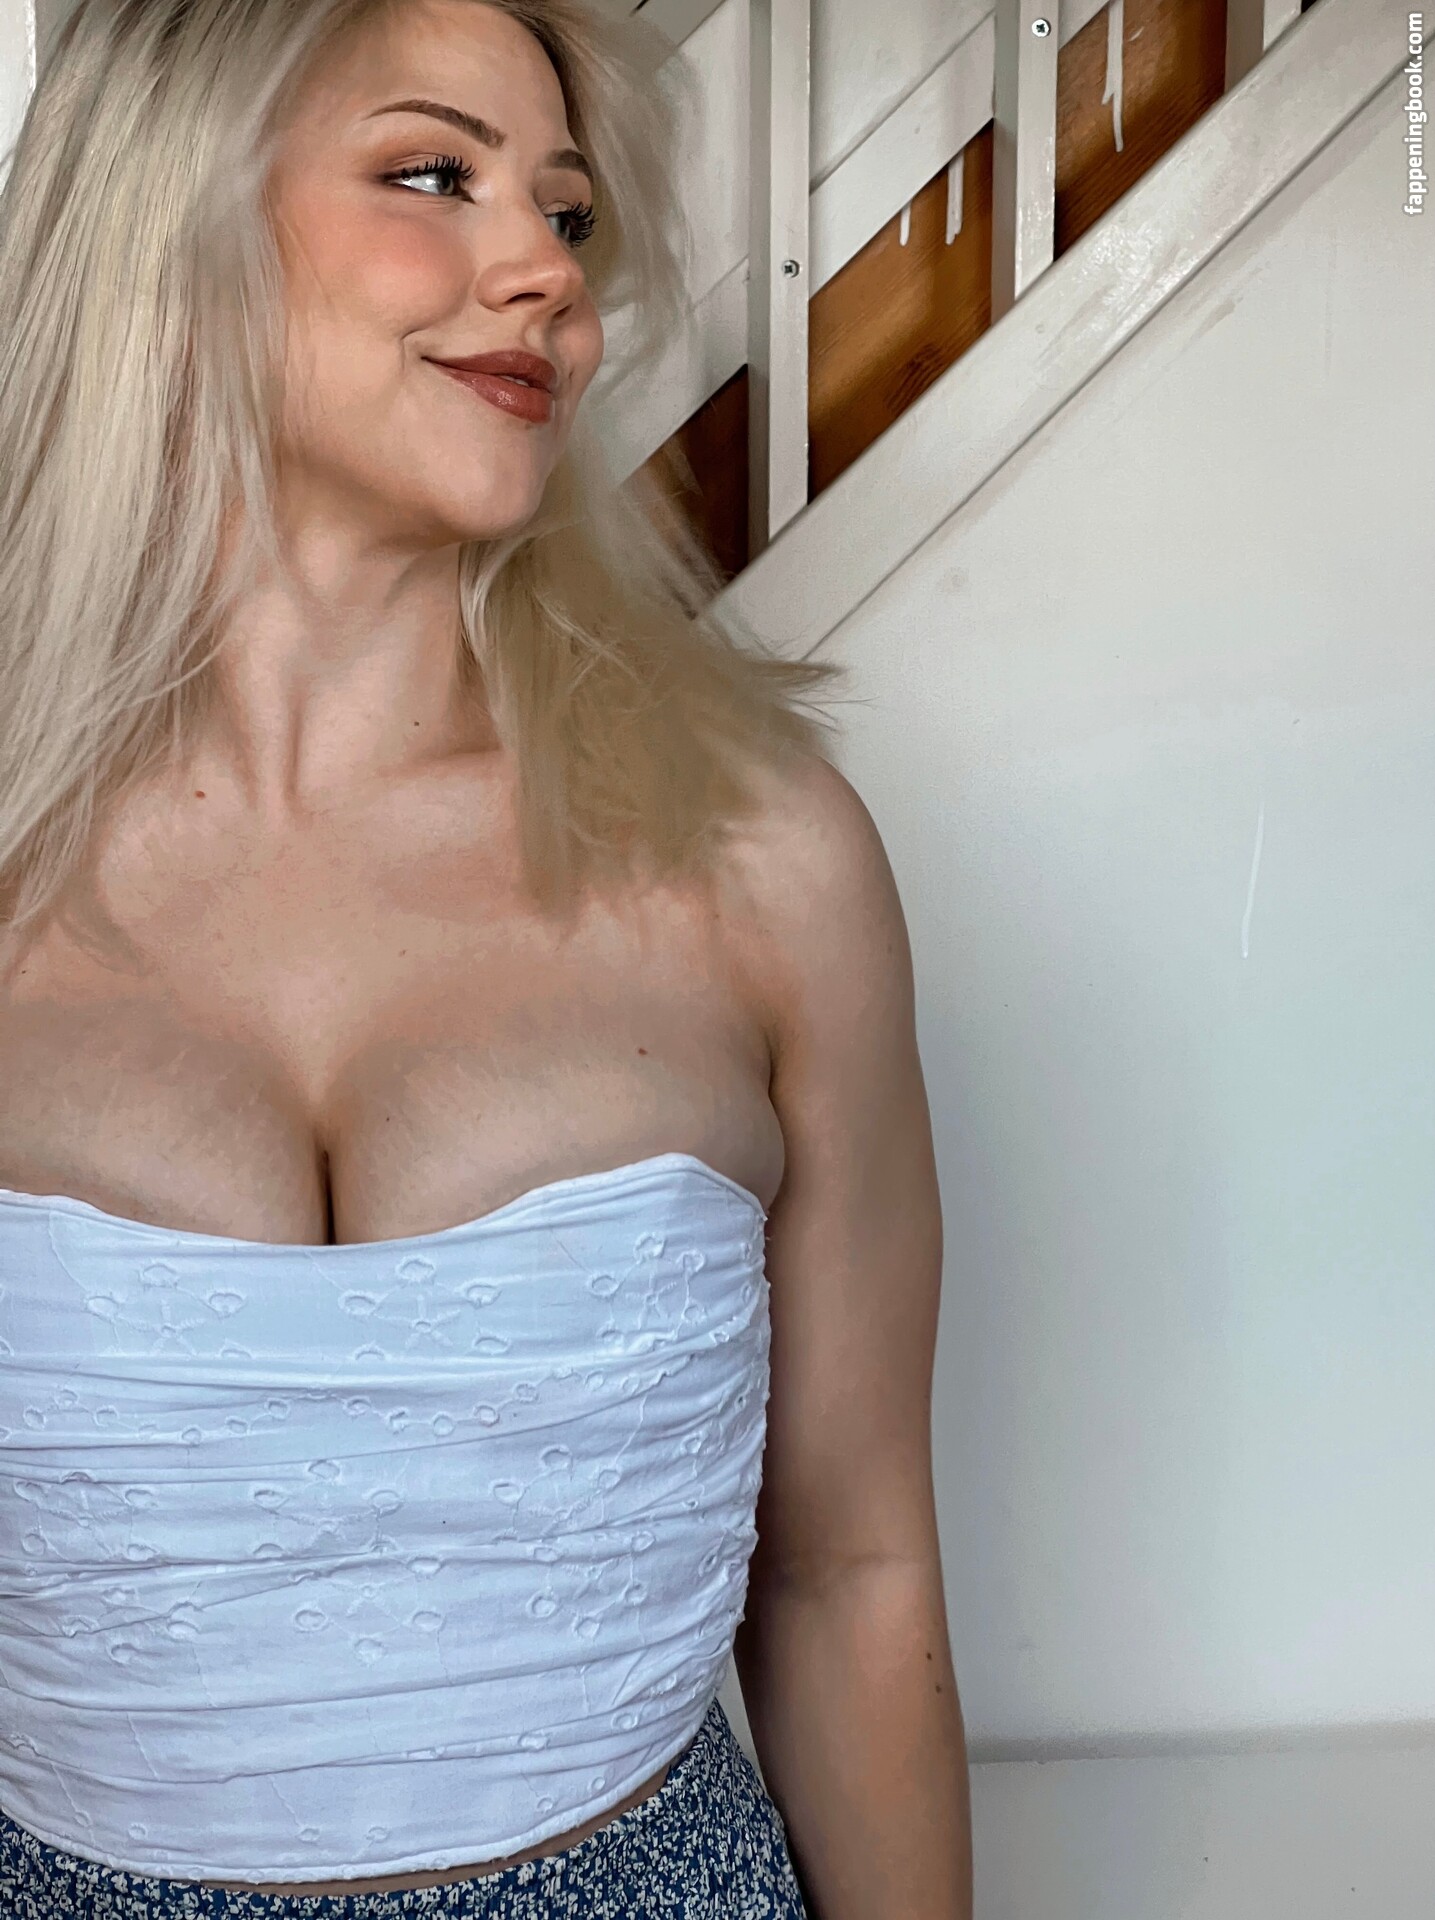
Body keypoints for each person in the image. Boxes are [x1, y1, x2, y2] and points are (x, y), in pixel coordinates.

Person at [0, 0, 974, 1911]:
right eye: (434, 175)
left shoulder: (761, 862)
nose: (548, 274)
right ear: (165, 222)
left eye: (569, 212)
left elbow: (851, 1576)